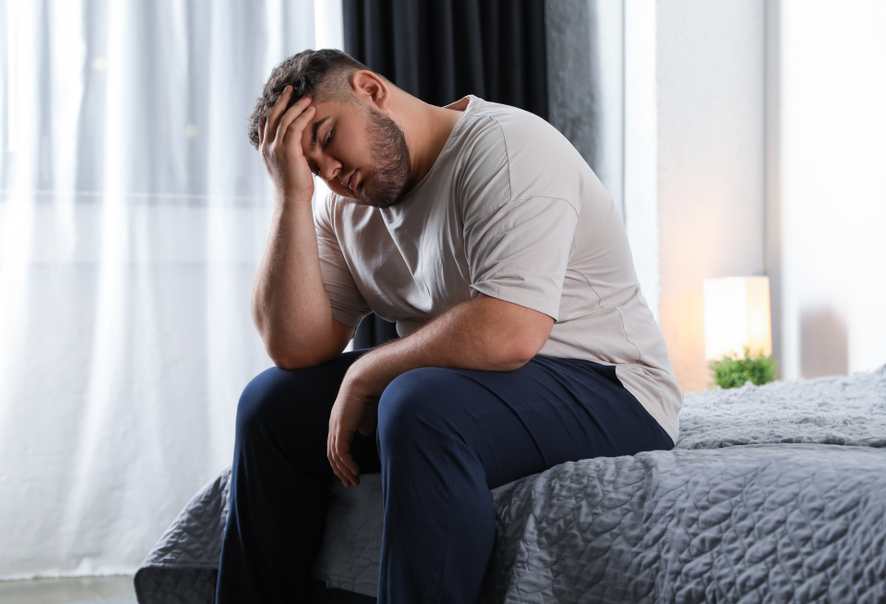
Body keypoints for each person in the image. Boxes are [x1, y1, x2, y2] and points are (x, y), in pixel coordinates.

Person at [216, 49, 682, 604]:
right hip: (475, 387)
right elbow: (294, 348)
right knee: (272, 404)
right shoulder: (343, 205)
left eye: (327, 136)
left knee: (416, 401)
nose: (331, 173)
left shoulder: (506, 149)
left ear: (370, 88)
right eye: (312, 166)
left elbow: (510, 331)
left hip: (611, 388)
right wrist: (291, 195)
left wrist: (368, 373)